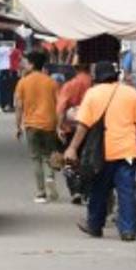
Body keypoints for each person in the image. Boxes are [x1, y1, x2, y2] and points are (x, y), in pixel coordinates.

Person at [64, 61, 136, 241]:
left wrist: (72, 148)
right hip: (128, 151)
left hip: (103, 153)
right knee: (126, 191)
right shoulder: (131, 93)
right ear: (115, 75)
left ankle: (94, 225)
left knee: (99, 189)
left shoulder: (93, 94)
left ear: (96, 77)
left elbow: (83, 126)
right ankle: (128, 231)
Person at [14, 51, 61, 203]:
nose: (23, 65)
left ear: (32, 64)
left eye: (26, 62)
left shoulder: (23, 82)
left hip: (31, 125)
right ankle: (50, 177)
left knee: (36, 158)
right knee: (49, 156)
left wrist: (18, 126)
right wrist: (59, 126)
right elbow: (59, 105)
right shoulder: (51, 82)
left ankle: (41, 192)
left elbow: (19, 106)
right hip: (49, 124)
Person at [56, 62, 93, 205]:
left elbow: (61, 107)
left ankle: (75, 190)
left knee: (70, 159)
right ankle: (87, 192)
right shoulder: (94, 85)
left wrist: (59, 127)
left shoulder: (69, 85)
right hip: (90, 126)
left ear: (75, 68)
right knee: (88, 159)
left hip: (71, 127)